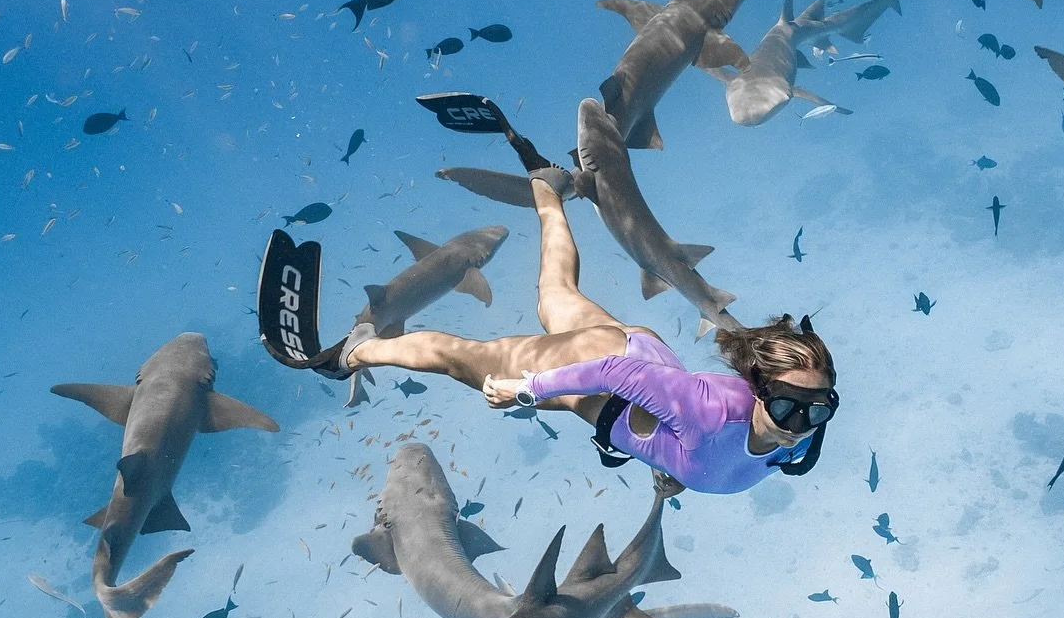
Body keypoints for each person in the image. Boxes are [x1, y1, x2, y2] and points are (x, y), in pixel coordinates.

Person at [317, 157, 838, 496]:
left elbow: (720, 452)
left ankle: (548, 192)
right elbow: (615, 374)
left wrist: (673, 468)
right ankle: (355, 352)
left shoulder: (800, 439)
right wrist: (527, 392)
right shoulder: (708, 412)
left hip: (644, 355)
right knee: (462, 361)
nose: (801, 423)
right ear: (760, 391)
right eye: (790, 407)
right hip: (606, 368)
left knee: (555, 298)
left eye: (819, 410)